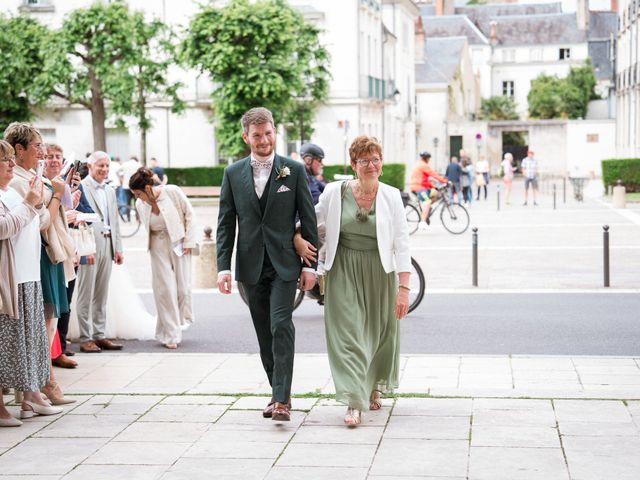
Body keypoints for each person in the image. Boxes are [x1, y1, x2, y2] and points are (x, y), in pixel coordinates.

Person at [295, 136, 411, 427]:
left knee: (377, 333)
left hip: (380, 271)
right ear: (353, 165)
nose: (371, 165)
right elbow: (312, 219)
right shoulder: (335, 192)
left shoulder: (391, 196)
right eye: (364, 161)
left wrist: (404, 289)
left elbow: (402, 244)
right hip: (343, 268)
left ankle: (372, 386)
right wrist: (297, 235)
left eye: (376, 159)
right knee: (349, 336)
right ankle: (354, 401)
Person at [216, 107, 318, 422]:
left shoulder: (294, 170)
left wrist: (309, 265)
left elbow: (308, 216)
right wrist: (223, 267)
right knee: (264, 333)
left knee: (281, 325)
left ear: (275, 132)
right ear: (247, 137)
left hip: (285, 263)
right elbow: (225, 223)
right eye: (257, 135)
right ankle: (277, 393)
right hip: (250, 266)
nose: (264, 140)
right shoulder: (232, 174)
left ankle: (282, 400)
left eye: (268, 133)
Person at [5, 124, 75, 406]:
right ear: (18, 149)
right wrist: (56, 196)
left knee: (46, 321)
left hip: (48, 252)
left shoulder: (32, 176)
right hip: (36, 256)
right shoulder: (18, 180)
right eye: (36, 146)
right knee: (41, 322)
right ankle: (40, 385)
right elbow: (39, 221)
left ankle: (39, 384)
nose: (42, 152)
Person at [0, 140, 63, 426]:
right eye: (5, 161)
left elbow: (34, 221)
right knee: (11, 344)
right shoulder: (11, 194)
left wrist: (39, 201)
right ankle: (15, 401)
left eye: (12, 159)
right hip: (11, 277)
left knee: (30, 341)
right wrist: (29, 203)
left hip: (28, 274)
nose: (11, 165)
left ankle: (30, 397)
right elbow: (5, 228)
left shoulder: (10, 192)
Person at [129, 167, 196, 349]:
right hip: (157, 245)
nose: (137, 197)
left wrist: (189, 242)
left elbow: (190, 215)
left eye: (138, 193)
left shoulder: (172, 192)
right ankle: (171, 334)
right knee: (164, 290)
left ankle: (181, 319)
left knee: (182, 288)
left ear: (147, 188)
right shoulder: (140, 205)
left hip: (179, 243)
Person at [75, 151, 124, 353]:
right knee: (86, 292)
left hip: (107, 244)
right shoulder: (80, 187)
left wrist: (118, 247)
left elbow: (114, 221)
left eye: (106, 166)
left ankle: (99, 334)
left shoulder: (110, 191)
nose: (104, 170)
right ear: (90, 166)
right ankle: (85, 337)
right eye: (100, 166)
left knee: (101, 293)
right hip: (88, 246)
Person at [43, 143, 81, 370]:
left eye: (58, 156)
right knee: (53, 305)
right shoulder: (45, 184)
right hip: (50, 247)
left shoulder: (66, 182)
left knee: (64, 302)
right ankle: (53, 353)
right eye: (49, 156)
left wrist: (73, 203)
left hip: (68, 246)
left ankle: (60, 347)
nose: (54, 160)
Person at [408, 151, 448, 227]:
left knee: (436, 193)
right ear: (426, 158)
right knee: (428, 202)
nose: (429, 160)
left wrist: (434, 187)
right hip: (418, 188)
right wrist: (445, 181)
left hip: (422, 187)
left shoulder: (420, 164)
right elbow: (433, 174)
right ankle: (422, 222)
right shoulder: (423, 165)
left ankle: (426, 209)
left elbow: (425, 179)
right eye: (429, 159)